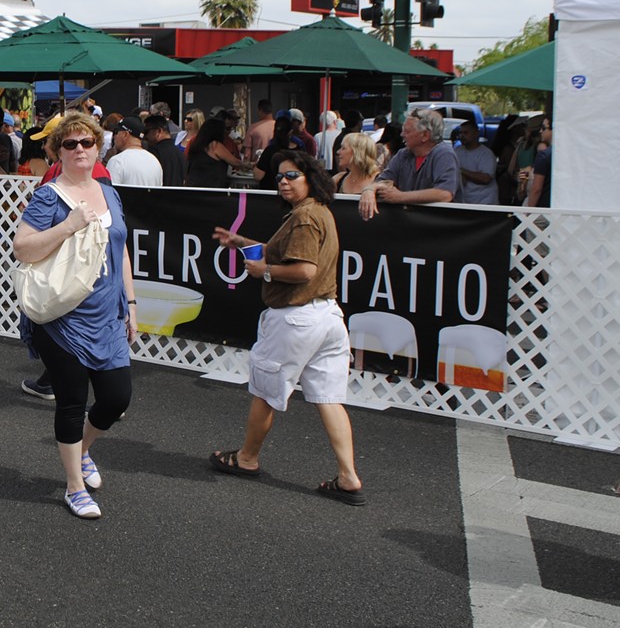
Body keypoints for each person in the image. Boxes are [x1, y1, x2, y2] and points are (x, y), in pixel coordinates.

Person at [209, 153, 365, 504]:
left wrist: (263, 271)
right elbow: (286, 254)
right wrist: (241, 242)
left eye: (292, 175)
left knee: (265, 391)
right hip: (327, 317)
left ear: (310, 177)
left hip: (296, 318)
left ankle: (247, 458)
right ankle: (348, 475)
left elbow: (303, 270)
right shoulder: (318, 212)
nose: (283, 181)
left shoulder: (305, 217)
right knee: (329, 398)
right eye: (280, 176)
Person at [12, 111, 135, 520]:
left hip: (108, 317)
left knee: (117, 398)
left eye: (87, 143)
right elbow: (23, 248)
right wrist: (68, 225)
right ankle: (74, 487)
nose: (80, 149)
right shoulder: (51, 196)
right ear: (57, 151)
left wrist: (131, 304)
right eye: (70, 144)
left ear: (99, 147)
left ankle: (80, 451)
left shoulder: (109, 192)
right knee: (71, 401)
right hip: (64, 318)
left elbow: (121, 252)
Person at [358, 108, 463, 220]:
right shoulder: (403, 154)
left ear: (425, 136)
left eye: (407, 131)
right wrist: (369, 190)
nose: (402, 134)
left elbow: (444, 194)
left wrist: (400, 197)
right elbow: (382, 181)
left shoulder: (444, 154)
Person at [105, 115, 163, 187]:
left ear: (125, 135)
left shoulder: (117, 161)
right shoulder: (155, 161)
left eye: (116, 132)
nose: (114, 136)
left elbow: (109, 193)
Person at [453, 122, 500, 205]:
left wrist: (461, 170)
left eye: (466, 133)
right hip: (464, 202)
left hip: (484, 202)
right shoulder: (457, 151)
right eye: (460, 133)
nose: (462, 136)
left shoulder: (486, 154)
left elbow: (486, 178)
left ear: (476, 133)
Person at [184, 118, 238, 188]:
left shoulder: (196, 143)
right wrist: (249, 165)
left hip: (193, 186)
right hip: (210, 189)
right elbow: (235, 161)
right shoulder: (214, 145)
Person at [143, 114, 186, 187]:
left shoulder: (154, 152)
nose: (145, 136)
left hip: (160, 195)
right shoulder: (180, 153)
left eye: (146, 131)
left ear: (159, 131)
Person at [526, 125, 553, 208]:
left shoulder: (544, 155)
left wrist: (529, 212)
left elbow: (536, 189)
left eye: (544, 128)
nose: (540, 131)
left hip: (543, 210)